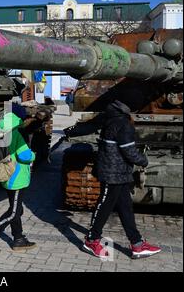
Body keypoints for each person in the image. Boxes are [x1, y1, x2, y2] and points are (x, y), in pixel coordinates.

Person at [64, 99, 161, 259]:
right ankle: (92, 240)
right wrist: (143, 160)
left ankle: (137, 244)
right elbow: (129, 151)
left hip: (119, 173)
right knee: (104, 206)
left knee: (125, 208)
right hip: (113, 173)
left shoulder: (110, 118)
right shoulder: (123, 124)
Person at [0, 103, 37, 254]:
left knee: (16, 209)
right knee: (14, 212)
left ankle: (18, 239)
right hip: (17, 177)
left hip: (7, 174)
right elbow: (24, 155)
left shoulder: (1, 130)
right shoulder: (16, 133)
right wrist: (33, 155)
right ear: (19, 117)